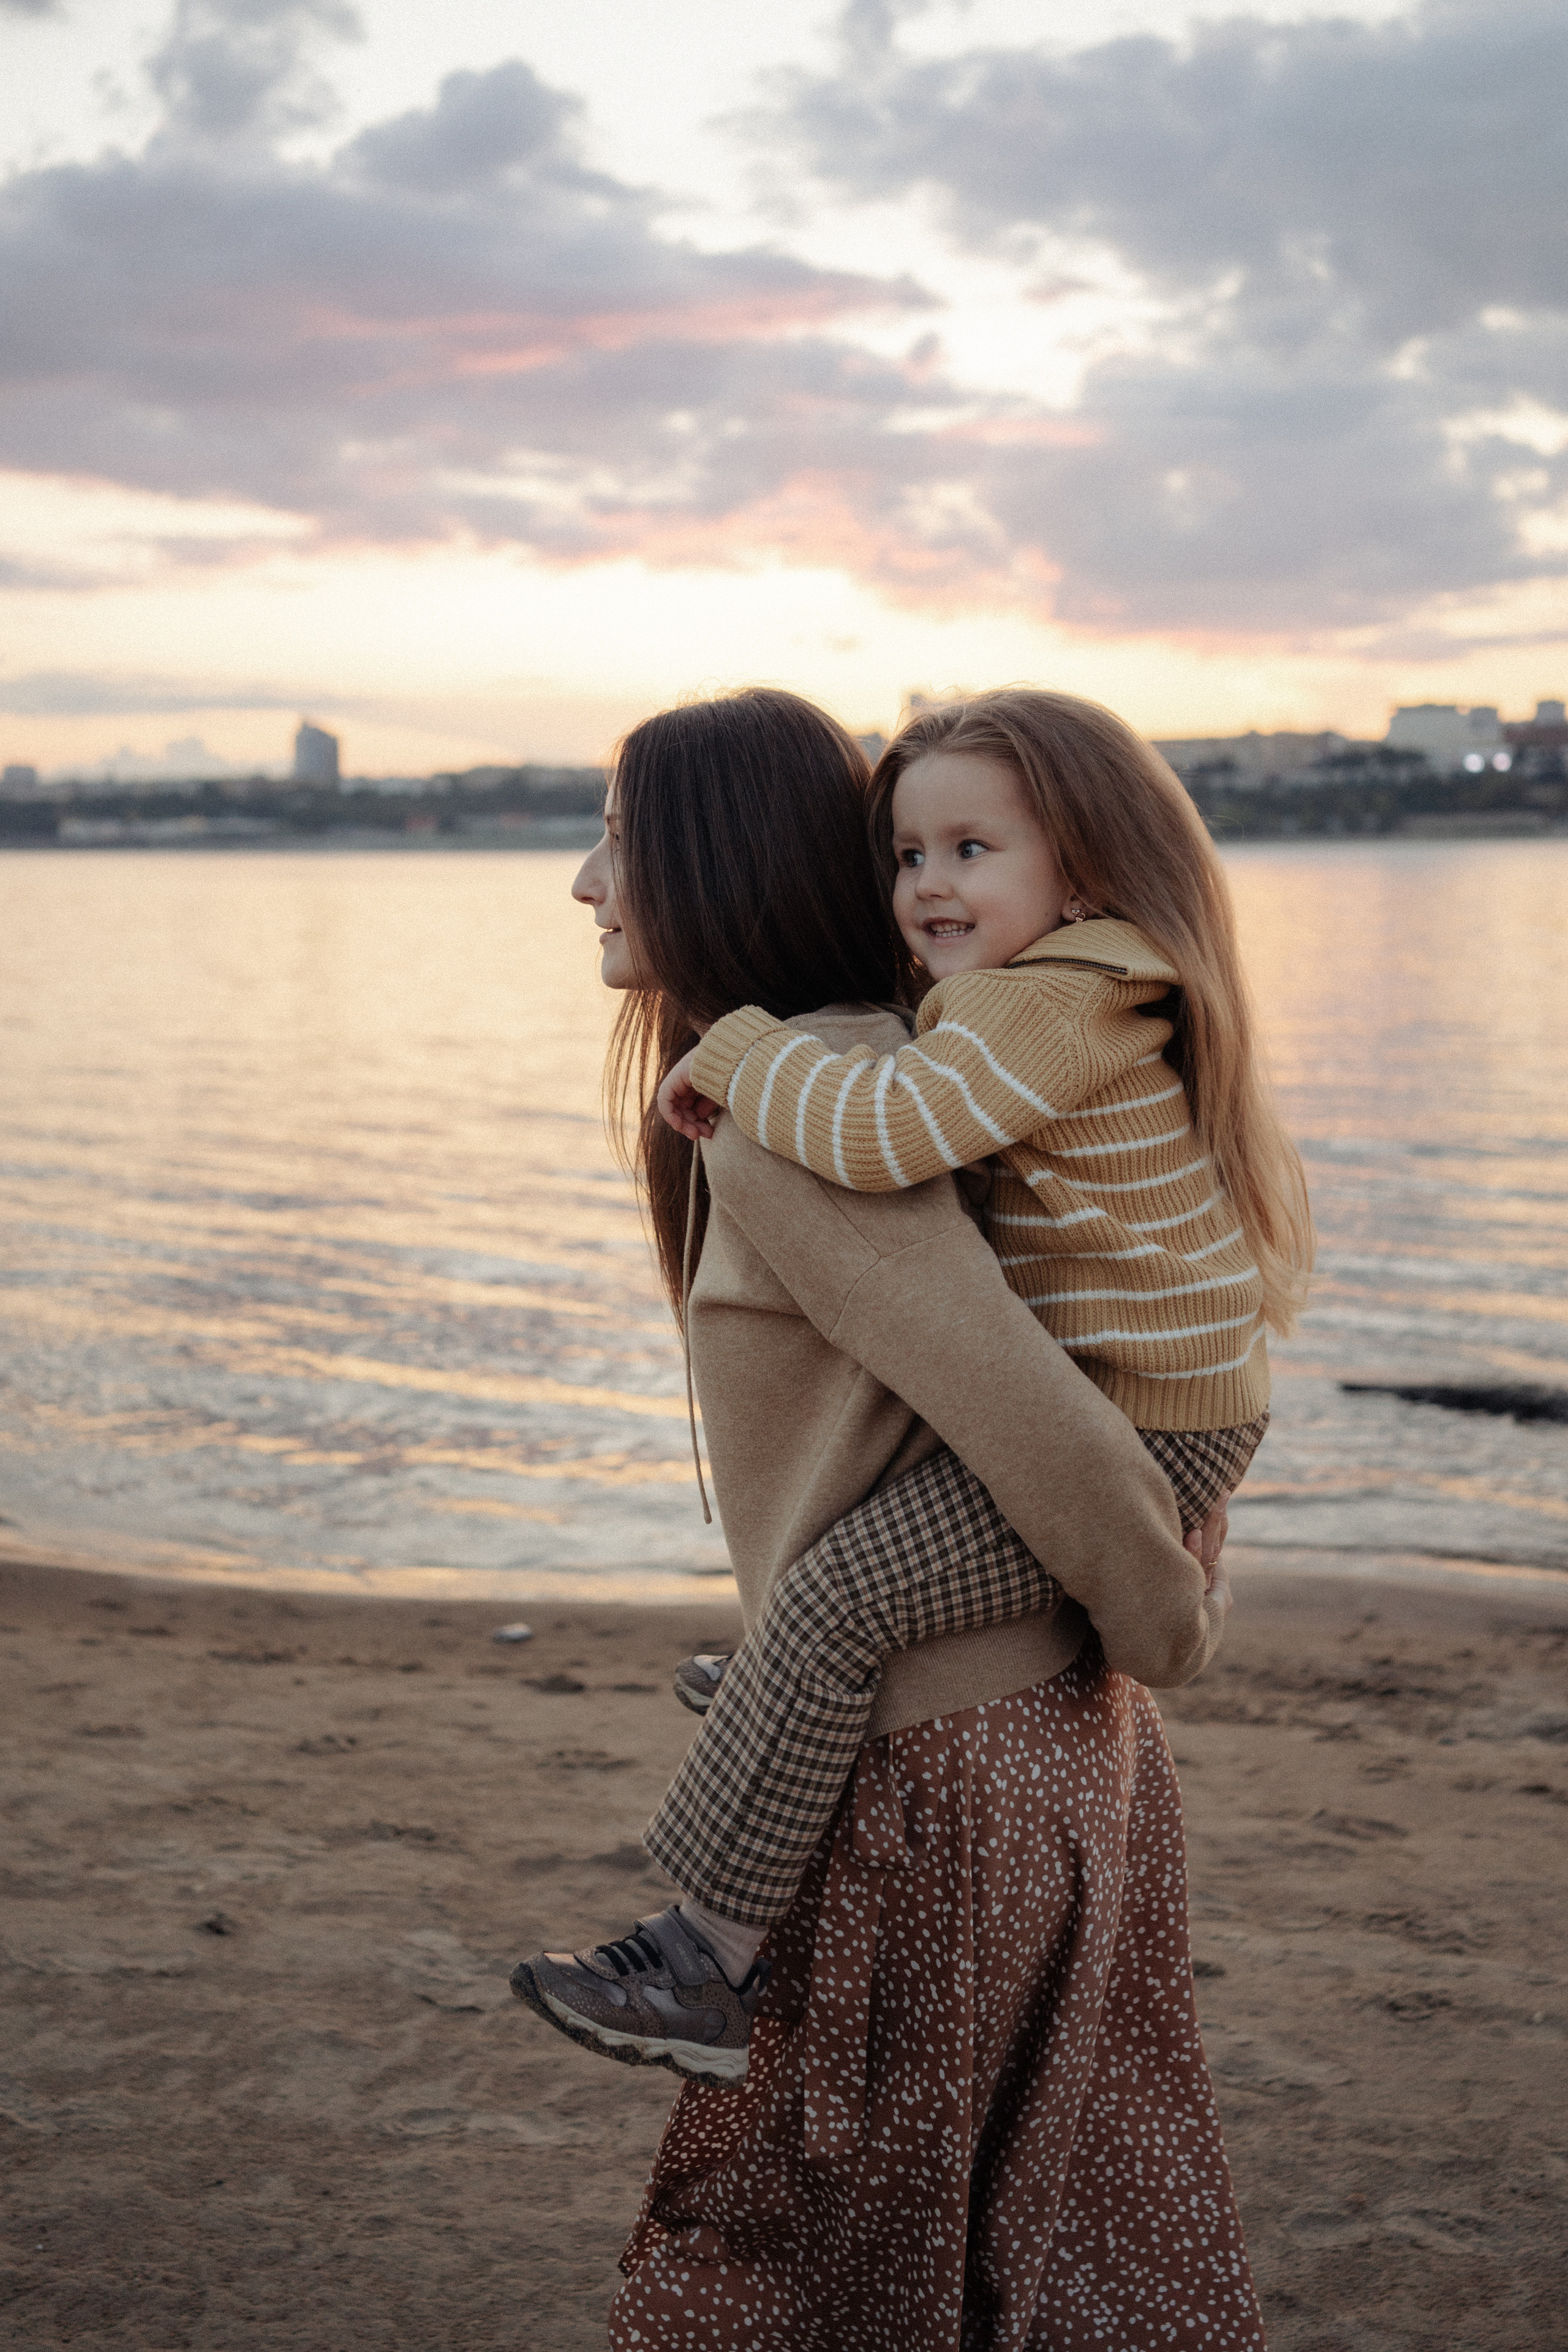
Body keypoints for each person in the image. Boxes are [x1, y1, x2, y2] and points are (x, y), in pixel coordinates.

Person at [512, 688, 1267, 2348]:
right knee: (1026, 2227)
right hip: (985, 1738)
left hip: (958, 1769)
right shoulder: (832, 1079)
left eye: (620, 841)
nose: (583, 881)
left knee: (853, 2259)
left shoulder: (813, 1107)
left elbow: (1020, 1402)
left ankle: (693, 1947)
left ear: (711, 864)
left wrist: (1161, 1614)